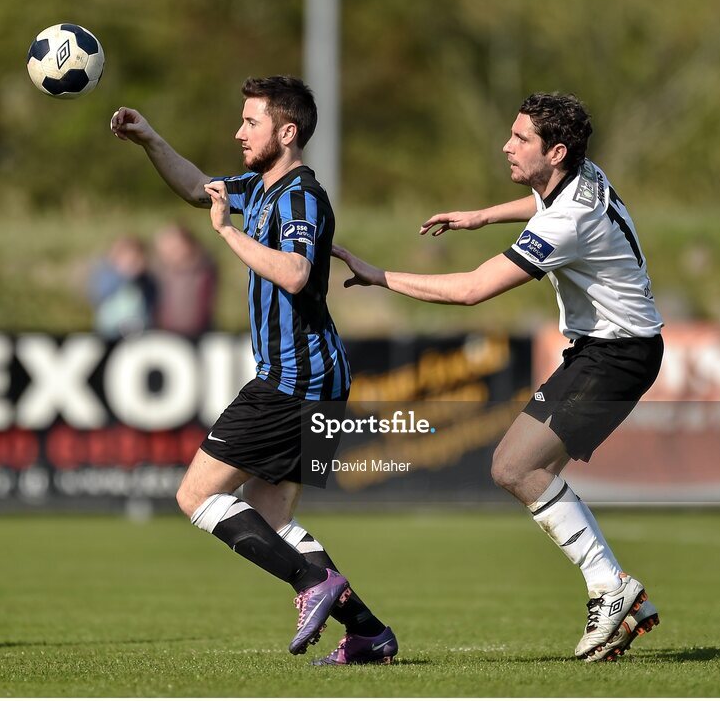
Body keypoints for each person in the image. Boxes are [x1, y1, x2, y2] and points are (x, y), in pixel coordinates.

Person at [332, 92, 663, 663]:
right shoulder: (580, 177)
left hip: (616, 354)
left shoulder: (569, 220)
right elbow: (543, 203)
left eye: (520, 139)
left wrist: (380, 275)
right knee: (531, 470)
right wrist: (483, 216)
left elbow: (470, 290)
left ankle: (611, 588)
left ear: (555, 151)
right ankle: (615, 593)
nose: (506, 146)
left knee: (514, 465)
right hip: (615, 349)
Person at [110, 76, 397, 665]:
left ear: (286, 133)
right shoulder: (258, 186)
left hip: (297, 379)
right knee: (272, 517)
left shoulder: (300, 197)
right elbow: (197, 188)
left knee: (196, 496)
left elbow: (293, 273)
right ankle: (368, 632)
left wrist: (226, 234)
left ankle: (310, 584)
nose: (239, 132)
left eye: (251, 122)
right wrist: (150, 140)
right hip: (308, 378)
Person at [88, 235, 158, 339]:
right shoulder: (107, 274)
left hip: (139, 331)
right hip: (110, 330)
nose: (131, 262)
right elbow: (98, 295)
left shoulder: (146, 279)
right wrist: (124, 275)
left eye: (135, 259)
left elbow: (153, 300)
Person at [152, 224, 218, 336]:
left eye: (174, 247)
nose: (169, 253)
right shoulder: (159, 271)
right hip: (165, 332)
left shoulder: (201, 269)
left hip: (197, 332)